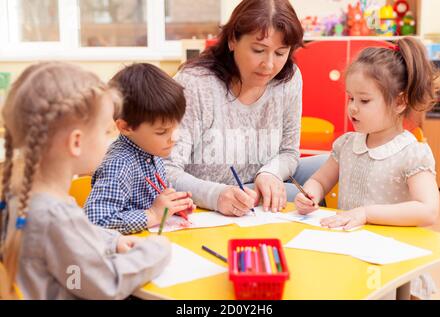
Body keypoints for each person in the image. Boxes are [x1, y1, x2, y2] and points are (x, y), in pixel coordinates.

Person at [0, 62, 171, 299]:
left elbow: (69, 249)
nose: (107, 141)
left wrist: (113, 240)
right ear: (76, 142)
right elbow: (107, 283)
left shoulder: (25, 196)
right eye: (105, 132)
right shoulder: (55, 217)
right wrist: (157, 250)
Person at [295, 37, 440, 299]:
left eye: (364, 100)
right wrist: (310, 194)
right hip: (350, 254)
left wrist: (365, 213)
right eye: (350, 97)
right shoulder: (348, 145)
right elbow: (319, 180)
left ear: (399, 102)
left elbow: (428, 210)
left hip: (392, 264)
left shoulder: (411, 153)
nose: (352, 108)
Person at [166, 0, 327, 217]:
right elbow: (164, 169)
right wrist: (216, 195)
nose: (269, 65)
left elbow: (289, 152)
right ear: (233, 40)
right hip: (214, 195)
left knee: (334, 164)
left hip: (256, 182)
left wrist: (270, 173)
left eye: (280, 53)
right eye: (258, 50)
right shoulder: (195, 83)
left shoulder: (288, 79)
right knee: (298, 196)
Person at [85, 63, 195, 235]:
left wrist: (172, 208)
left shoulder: (150, 150)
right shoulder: (119, 165)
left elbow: (156, 202)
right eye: (162, 131)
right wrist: (153, 215)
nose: (175, 137)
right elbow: (96, 221)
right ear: (126, 127)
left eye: (176, 127)